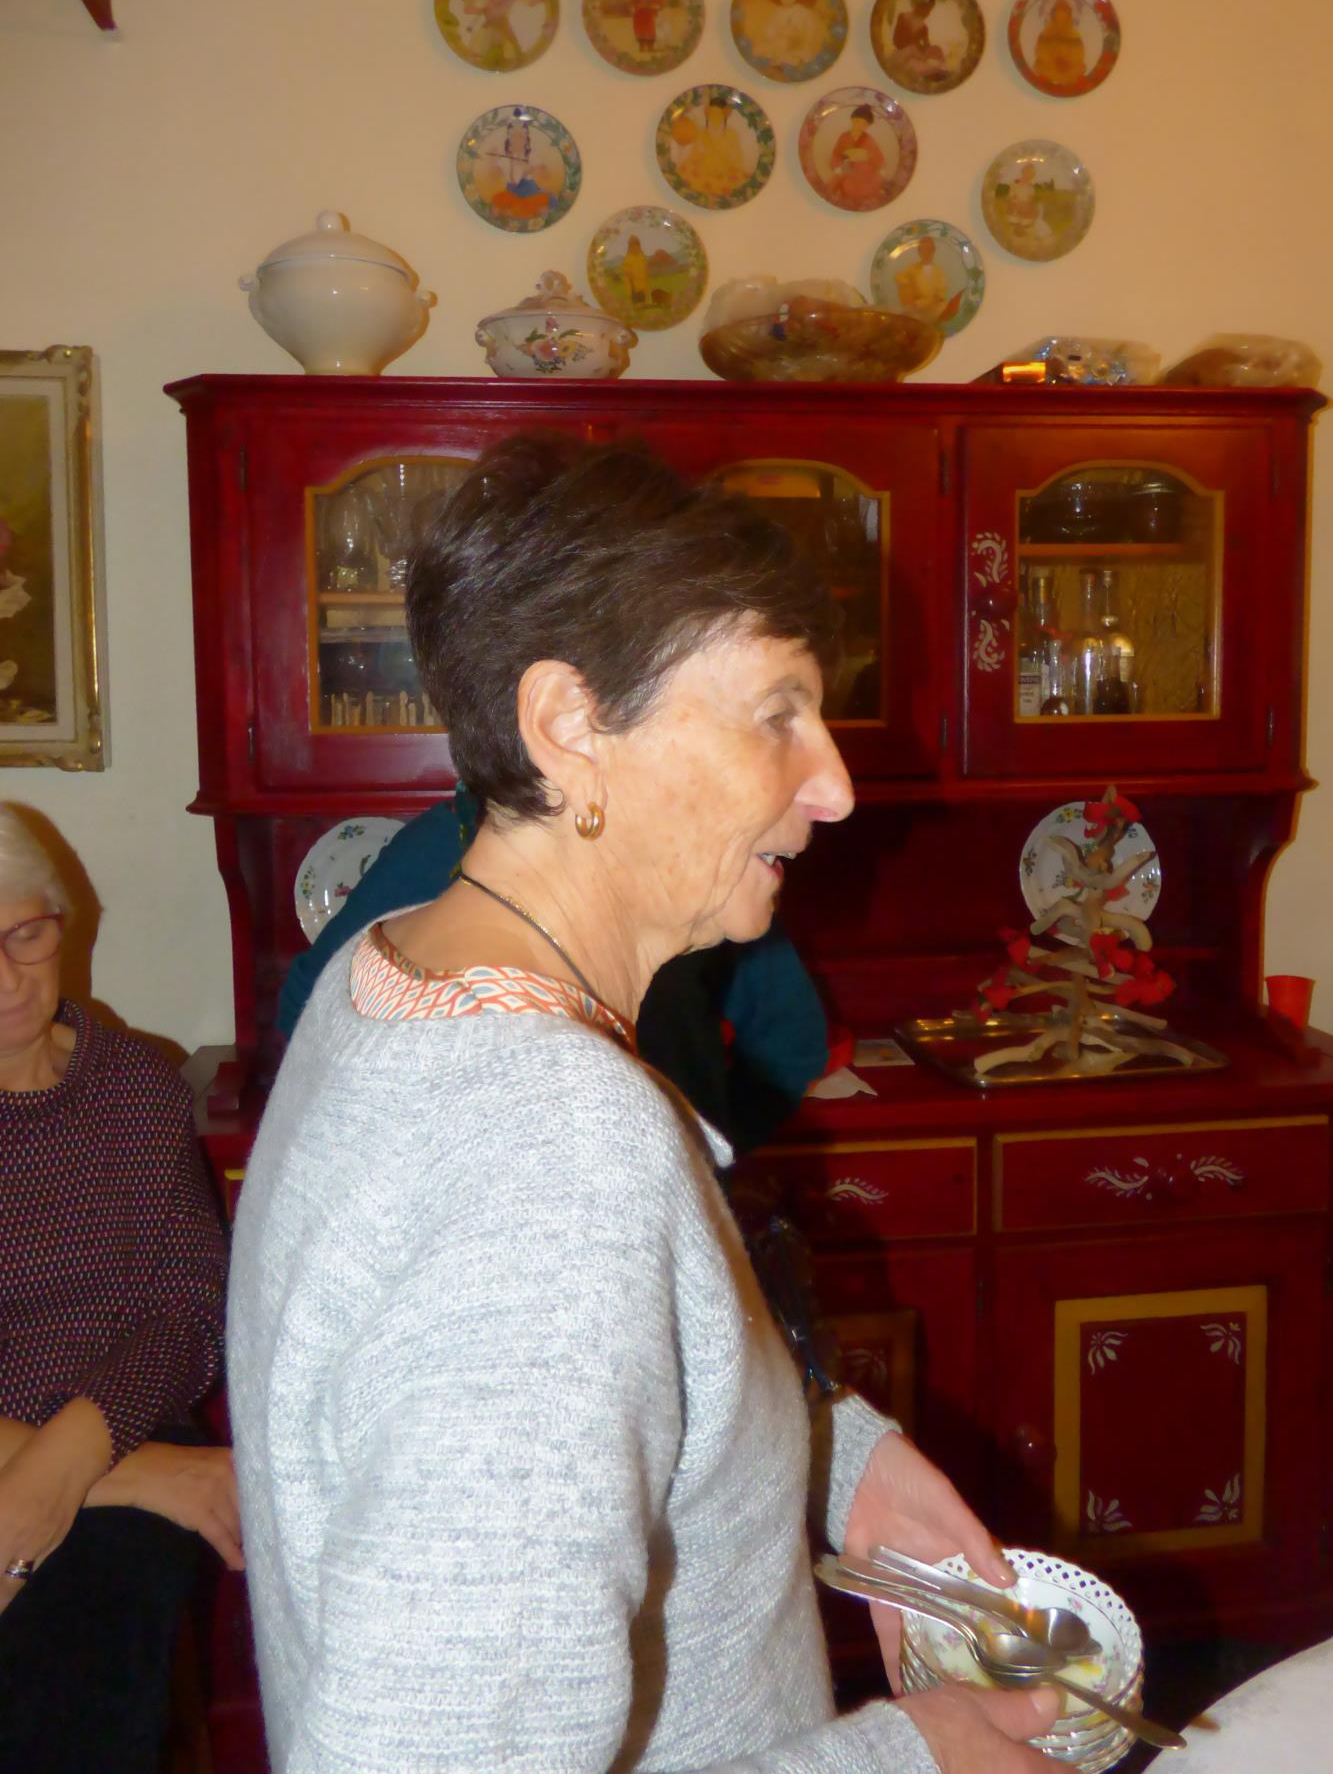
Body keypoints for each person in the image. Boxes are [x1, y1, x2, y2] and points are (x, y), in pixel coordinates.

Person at [228, 436, 1057, 1772]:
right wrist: (915, 1755)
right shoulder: (549, 1151)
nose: (836, 784)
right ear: (570, 725)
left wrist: (832, 1456)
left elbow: (580, 1385)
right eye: (776, 711)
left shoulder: (395, 973)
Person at [0, 805, 240, 1774]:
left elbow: (188, 1312)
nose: (7, 977)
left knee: (79, 1644)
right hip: (121, 1456)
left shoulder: (136, 1085)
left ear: (63, 923)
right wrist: (138, 1475)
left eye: (24, 934)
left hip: (124, 1417)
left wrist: (73, 1457)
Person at [279, 791, 829, 1156]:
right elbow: (792, 1043)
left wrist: (702, 1149)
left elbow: (793, 1042)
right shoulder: (700, 864)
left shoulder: (439, 841)